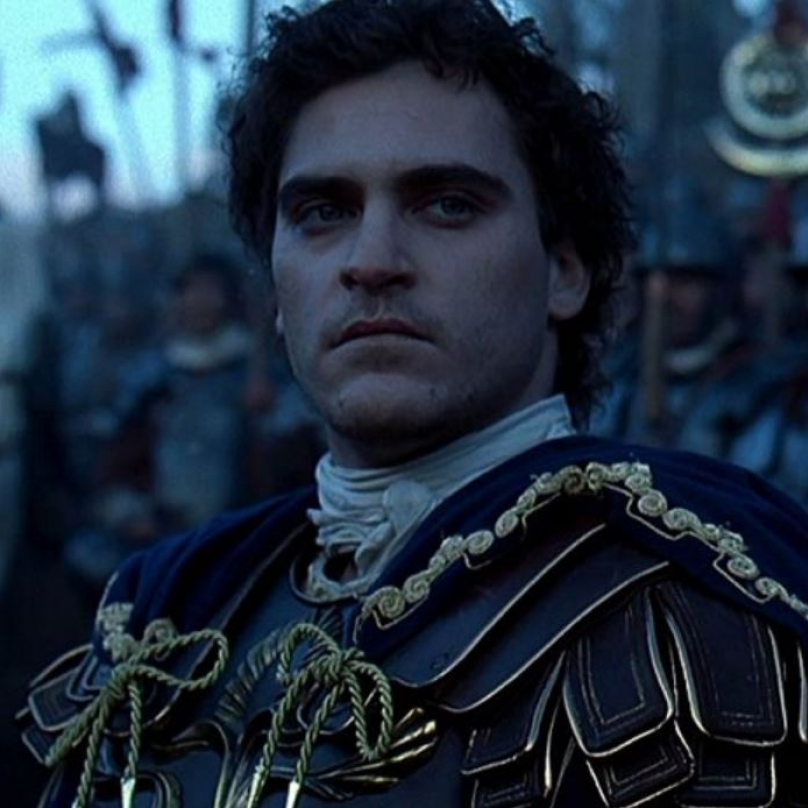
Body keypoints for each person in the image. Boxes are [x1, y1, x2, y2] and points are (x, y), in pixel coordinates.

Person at [19, 1, 808, 806]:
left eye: (448, 205)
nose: (371, 262)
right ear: (277, 293)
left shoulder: (687, 617)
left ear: (564, 272)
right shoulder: (171, 612)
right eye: (323, 212)